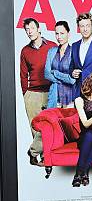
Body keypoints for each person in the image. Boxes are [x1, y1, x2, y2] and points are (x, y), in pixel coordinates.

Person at [20, 17, 56, 165]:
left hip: (50, 92)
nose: (30, 32)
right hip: (32, 93)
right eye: (27, 30)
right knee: (35, 126)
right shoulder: (25, 51)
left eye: (32, 28)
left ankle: (33, 152)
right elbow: (23, 74)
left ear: (39, 29)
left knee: (50, 125)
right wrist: (26, 94)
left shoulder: (52, 47)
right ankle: (41, 157)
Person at [44, 21, 76, 108]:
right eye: (57, 34)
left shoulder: (74, 51)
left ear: (68, 34)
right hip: (54, 96)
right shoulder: (52, 51)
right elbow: (46, 74)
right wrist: (64, 78)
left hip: (70, 98)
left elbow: (72, 80)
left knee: (68, 121)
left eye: (62, 33)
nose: (59, 37)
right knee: (51, 120)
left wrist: (55, 73)